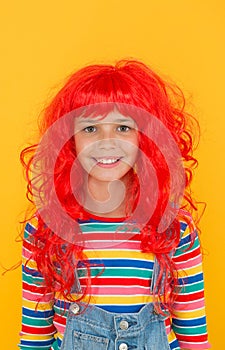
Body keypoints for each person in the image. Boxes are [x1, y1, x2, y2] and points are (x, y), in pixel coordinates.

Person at [19, 59, 210, 350]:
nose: (106, 143)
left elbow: (194, 334)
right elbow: (34, 335)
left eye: (122, 127)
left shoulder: (176, 229)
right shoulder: (47, 228)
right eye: (90, 129)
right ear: (69, 139)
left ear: (146, 138)